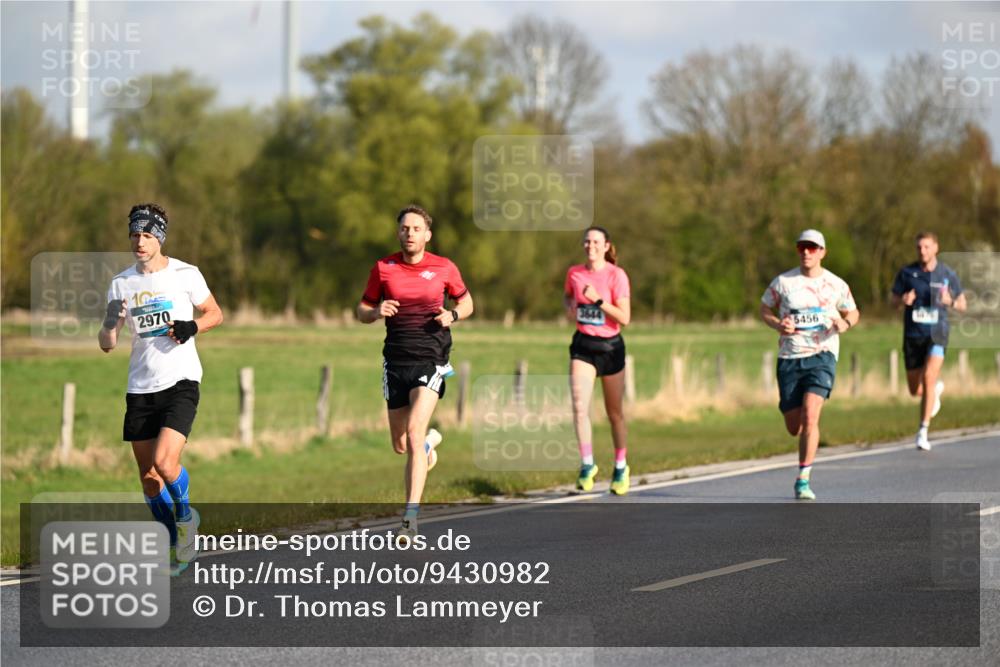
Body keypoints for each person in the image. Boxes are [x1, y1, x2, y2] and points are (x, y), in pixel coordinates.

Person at [99, 203, 223, 574]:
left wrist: (192, 327)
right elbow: (107, 344)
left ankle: (186, 522)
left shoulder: (186, 274)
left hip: (181, 380)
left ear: (160, 239)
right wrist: (109, 323)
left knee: (165, 463)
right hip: (140, 386)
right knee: (149, 480)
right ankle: (171, 537)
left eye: (147, 235)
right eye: (135, 234)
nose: (139, 241)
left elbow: (214, 313)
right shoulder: (121, 283)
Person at [357, 205, 473, 542]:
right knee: (402, 444)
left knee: (413, 428)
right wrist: (376, 311)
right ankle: (428, 445)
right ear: (399, 233)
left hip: (431, 359)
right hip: (395, 361)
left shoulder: (444, 267)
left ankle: (410, 518)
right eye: (405, 228)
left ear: (427, 235)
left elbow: (467, 303)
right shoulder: (384, 268)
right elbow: (361, 310)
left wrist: (452, 315)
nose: (410, 233)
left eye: (416, 228)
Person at [760, 229, 859, 501]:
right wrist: (778, 324)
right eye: (802, 247)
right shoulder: (783, 282)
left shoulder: (835, 283)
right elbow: (765, 309)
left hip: (822, 354)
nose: (807, 252)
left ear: (822, 252)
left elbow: (853, 310)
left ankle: (803, 479)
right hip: (790, 357)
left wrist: (845, 323)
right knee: (795, 426)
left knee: (810, 414)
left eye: (813, 248)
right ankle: (804, 448)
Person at [564, 226, 632, 495]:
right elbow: (568, 295)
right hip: (583, 345)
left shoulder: (617, 275)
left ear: (606, 246)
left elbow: (624, 318)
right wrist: (569, 306)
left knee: (614, 413)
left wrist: (599, 300)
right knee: (580, 406)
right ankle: (587, 464)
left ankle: (620, 465)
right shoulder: (574, 273)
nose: (590, 245)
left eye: (595, 242)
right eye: (586, 241)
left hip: (610, 347)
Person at [891, 232, 966, 451]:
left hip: (938, 333)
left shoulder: (947, 274)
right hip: (913, 335)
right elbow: (892, 302)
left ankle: (922, 431)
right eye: (919, 248)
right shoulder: (907, 273)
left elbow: (963, 304)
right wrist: (903, 300)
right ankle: (933, 392)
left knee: (929, 376)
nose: (922, 251)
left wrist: (950, 301)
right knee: (915, 389)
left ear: (936, 248)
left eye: (926, 247)